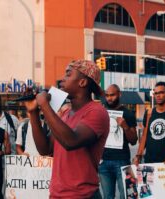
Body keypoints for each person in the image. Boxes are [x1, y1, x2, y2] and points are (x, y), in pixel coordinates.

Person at [24, 59, 109, 198]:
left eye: (68, 75)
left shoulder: (96, 112)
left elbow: (71, 141)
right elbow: (45, 149)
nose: (62, 79)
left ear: (82, 82)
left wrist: (45, 105)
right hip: (57, 194)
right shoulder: (64, 113)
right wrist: (33, 112)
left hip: (82, 195)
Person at [98, 84, 137, 199]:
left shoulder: (128, 113)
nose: (109, 98)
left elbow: (134, 141)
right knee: (107, 197)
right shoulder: (101, 111)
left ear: (119, 94)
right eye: (107, 95)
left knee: (128, 195)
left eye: (112, 95)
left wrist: (125, 126)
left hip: (122, 161)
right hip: (103, 162)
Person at [134, 82, 165, 169]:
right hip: (150, 163)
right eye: (156, 93)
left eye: (161, 92)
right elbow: (144, 136)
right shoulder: (149, 113)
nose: (158, 95)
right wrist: (138, 155)